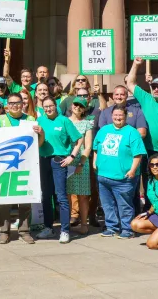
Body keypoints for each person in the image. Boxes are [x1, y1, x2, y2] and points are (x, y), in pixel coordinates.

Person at [0, 93, 41, 244]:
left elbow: (38, 143)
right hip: (5, 165)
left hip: (25, 164)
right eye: (12, 103)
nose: (15, 105)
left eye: (18, 103)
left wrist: (41, 133)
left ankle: (24, 230)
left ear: (23, 104)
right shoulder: (0, 120)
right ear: (7, 105)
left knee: (25, 198)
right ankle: (4, 231)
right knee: (4, 199)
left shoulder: (30, 120)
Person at [93, 106, 146, 239]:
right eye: (115, 115)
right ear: (111, 116)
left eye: (120, 115)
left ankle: (127, 230)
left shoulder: (132, 132)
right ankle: (112, 227)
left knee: (124, 205)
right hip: (103, 176)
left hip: (123, 178)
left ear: (126, 116)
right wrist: (95, 162)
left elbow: (138, 154)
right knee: (107, 204)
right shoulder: (104, 130)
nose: (118, 118)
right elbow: (96, 148)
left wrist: (133, 170)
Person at [36, 97, 81, 243]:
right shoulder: (40, 121)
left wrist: (72, 156)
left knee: (61, 196)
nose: (48, 109)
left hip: (58, 161)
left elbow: (78, 139)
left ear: (56, 106)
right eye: (45, 107)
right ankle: (48, 228)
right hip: (43, 160)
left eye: (51, 106)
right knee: (46, 196)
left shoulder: (64, 121)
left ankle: (65, 230)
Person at [66, 97, 95, 235]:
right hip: (66, 161)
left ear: (84, 109)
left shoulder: (86, 124)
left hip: (81, 162)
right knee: (67, 194)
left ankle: (84, 223)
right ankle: (66, 224)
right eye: (76, 104)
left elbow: (88, 146)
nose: (77, 107)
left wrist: (81, 164)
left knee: (83, 195)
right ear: (71, 106)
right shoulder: (64, 121)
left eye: (81, 106)